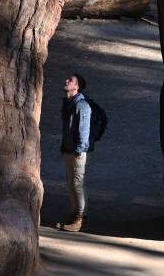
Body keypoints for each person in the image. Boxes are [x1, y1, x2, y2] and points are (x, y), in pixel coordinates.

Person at [59, 73, 92, 232]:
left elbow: (83, 129)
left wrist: (79, 149)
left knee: (77, 184)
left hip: (78, 152)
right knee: (71, 183)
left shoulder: (82, 105)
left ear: (76, 87)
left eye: (70, 80)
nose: (66, 81)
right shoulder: (67, 103)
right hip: (68, 150)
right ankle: (76, 213)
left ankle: (80, 219)